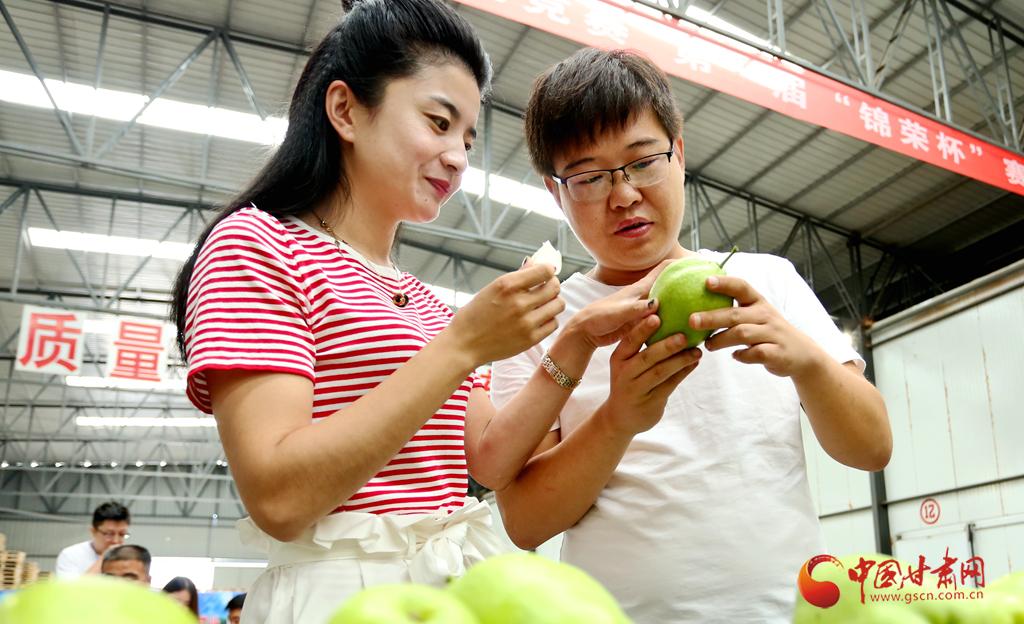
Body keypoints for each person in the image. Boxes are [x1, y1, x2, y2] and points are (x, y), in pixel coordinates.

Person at [169, 2, 653, 622]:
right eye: (438, 121)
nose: (457, 156)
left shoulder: (422, 299)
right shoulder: (259, 243)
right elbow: (279, 496)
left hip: (451, 589)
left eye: (467, 138)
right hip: (338, 596)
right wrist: (461, 348)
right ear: (345, 110)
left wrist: (575, 343)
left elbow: (489, 460)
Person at [489, 48, 893, 623]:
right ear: (556, 192)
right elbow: (524, 522)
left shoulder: (765, 282)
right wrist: (618, 417)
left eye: (643, 160)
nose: (623, 193)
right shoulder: (545, 322)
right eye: (588, 177)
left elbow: (872, 447)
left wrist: (805, 360)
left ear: (679, 154)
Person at [54, 501, 130, 579]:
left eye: (122, 534)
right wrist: (104, 558)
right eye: (109, 534)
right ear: (93, 531)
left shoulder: (131, 559)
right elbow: (72, 589)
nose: (116, 541)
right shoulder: (70, 555)